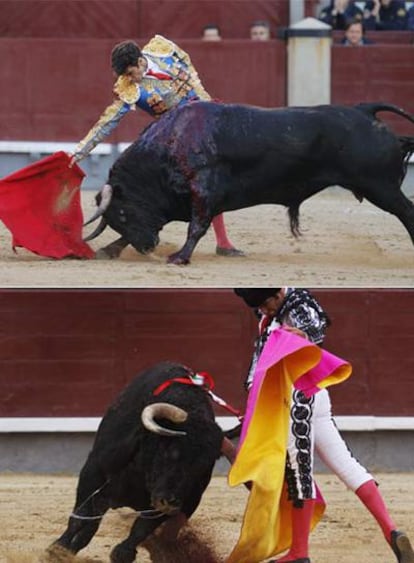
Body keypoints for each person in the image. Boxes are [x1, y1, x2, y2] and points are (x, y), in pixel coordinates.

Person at [233, 287, 414, 563]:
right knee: (347, 464)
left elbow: (313, 332)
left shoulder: (297, 304)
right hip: (312, 395)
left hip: (296, 399)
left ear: (278, 295)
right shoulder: (277, 310)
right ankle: (391, 530)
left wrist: (302, 337)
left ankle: (299, 554)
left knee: (298, 473)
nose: (265, 311)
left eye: (268, 305)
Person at [71, 37, 243, 258]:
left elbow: (188, 66)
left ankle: (223, 242)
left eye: (132, 73)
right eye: (127, 76)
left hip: (206, 122)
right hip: (174, 140)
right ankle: (222, 243)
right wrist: (80, 151)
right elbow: (108, 121)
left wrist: (203, 102)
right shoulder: (129, 88)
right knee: (200, 184)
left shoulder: (162, 48)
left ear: (141, 61)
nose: (132, 79)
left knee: (212, 181)